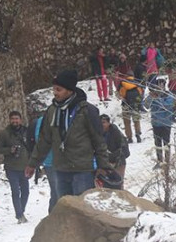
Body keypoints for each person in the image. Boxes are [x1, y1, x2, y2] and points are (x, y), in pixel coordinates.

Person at [25, 70, 112, 207]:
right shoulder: (52, 111)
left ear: (69, 90)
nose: (55, 92)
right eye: (54, 89)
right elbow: (44, 140)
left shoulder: (87, 111)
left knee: (83, 209)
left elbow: (99, 141)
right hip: (60, 170)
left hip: (82, 170)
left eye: (59, 89)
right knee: (65, 209)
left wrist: (103, 166)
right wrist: (32, 163)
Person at [0, 110, 33, 223]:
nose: (15, 121)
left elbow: (31, 146)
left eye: (16, 118)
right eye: (12, 119)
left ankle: (21, 212)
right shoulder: (5, 133)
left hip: (25, 166)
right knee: (15, 191)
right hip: (11, 167)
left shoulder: (26, 131)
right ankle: (19, 215)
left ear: (20, 120)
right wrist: (9, 150)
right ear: (9, 120)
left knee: (26, 191)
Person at [28, 111, 58, 213]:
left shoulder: (60, 120)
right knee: (56, 190)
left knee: (57, 190)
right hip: (50, 161)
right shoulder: (39, 123)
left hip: (61, 161)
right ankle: (53, 215)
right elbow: (37, 141)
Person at [149, 78, 176, 167]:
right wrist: (150, 97)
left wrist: (157, 99)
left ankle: (167, 161)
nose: (160, 87)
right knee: (157, 143)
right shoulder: (153, 95)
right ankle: (160, 161)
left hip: (166, 123)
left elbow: (168, 106)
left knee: (166, 143)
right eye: (158, 85)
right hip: (156, 123)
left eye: (161, 85)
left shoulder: (168, 95)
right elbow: (145, 105)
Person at [118, 64, 145, 143]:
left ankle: (129, 137)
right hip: (135, 105)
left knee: (127, 122)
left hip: (125, 104)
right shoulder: (137, 83)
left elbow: (120, 94)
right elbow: (140, 94)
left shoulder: (122, 83)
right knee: (136, 120)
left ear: (126, 76)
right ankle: (138, 134)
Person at [100, 114, 129, 179]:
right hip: (105, 163)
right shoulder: (98, 134)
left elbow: (124, 149)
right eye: (100, 123)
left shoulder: (116, 133)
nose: (102, 125)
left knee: (118, 184)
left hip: (119, 162)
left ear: (109, 123)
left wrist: (114, 162)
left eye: (103, 122)